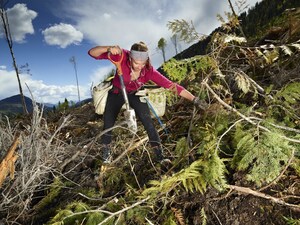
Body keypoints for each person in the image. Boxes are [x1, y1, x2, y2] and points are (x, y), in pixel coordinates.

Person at [88, 41, 205, 164]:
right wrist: (108, 48)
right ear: (130, 58)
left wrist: (194, 99)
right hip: (117, 92)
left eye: (142, 63)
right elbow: (92, 53)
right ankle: (106, 154)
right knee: (108, 122)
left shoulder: (149, 71)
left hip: (134, 94)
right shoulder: (121, 57)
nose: (139, 66)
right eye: (136, 63)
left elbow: (171, 86)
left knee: (148, 121)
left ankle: (159, 155)